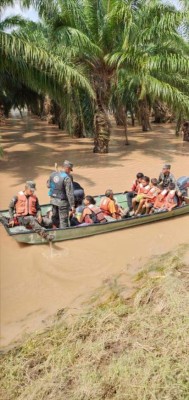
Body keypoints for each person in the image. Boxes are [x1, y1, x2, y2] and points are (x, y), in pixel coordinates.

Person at [47, 160, 75, 228]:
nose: (69, 172)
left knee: (55, 217)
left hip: (53, 200)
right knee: (63, 220)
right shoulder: (67, 178)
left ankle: (54, 229)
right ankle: (63, 233)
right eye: (70, 170)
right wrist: (72, 206)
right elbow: (69, 193)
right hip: (62, 202)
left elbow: (48, 185)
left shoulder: (52, 174)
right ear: (67, 168)